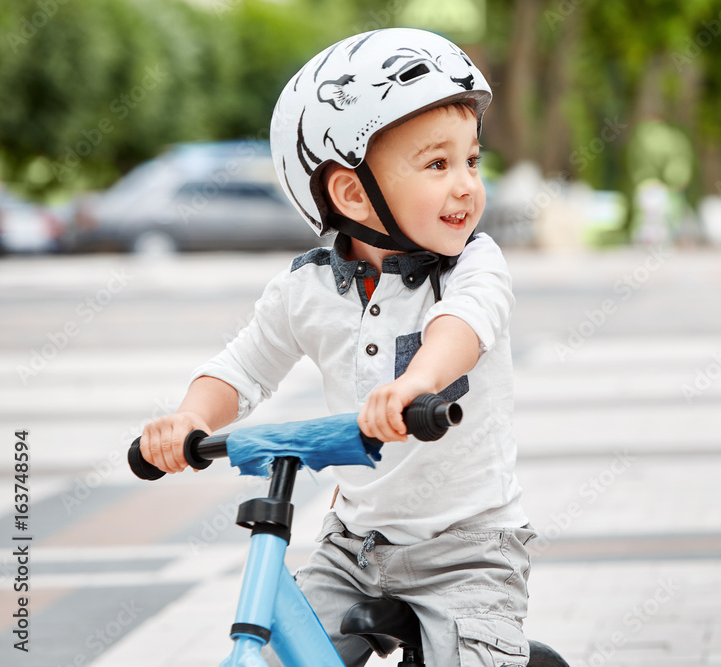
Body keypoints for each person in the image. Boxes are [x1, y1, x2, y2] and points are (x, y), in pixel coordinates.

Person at [139, 28, 535, 666]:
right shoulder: (307, 288)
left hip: (467, 550)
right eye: (438, 164)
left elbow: (462, 326)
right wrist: (191, 419)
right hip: (352, 548)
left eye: (472, 161)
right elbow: (243, 365)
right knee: (277, 652)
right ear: (353, 193)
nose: (466, 185)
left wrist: (416, 384)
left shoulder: (472, 267)